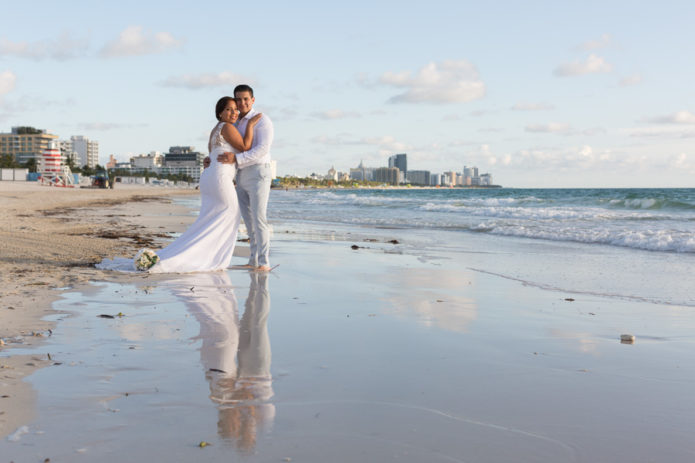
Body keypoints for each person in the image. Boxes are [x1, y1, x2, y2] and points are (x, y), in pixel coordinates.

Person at [96, 97, 261, 273]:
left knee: (209, 219)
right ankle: (208, 258)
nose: (234, 112)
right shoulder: (227, 127)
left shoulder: (215, 130)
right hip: (219, 178)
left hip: (211, 177)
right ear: (220, 113)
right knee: (229, 214)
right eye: (229, 109)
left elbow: (214, 154)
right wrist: (250, 125)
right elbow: (245, 147)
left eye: (235, 109)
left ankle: (207, 256)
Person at [216, 84, 274, 272]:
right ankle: (253, 259)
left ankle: (264, 262)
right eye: (238, 99)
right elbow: (231, 146)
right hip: (241, 174)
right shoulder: (235, 122)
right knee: (248, 221)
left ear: (253, 100)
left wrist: (237, 159)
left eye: (245, 99)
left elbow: (262, 149)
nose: (242, 103)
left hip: (258, 172)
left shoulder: (262, 120)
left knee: (259, 218)